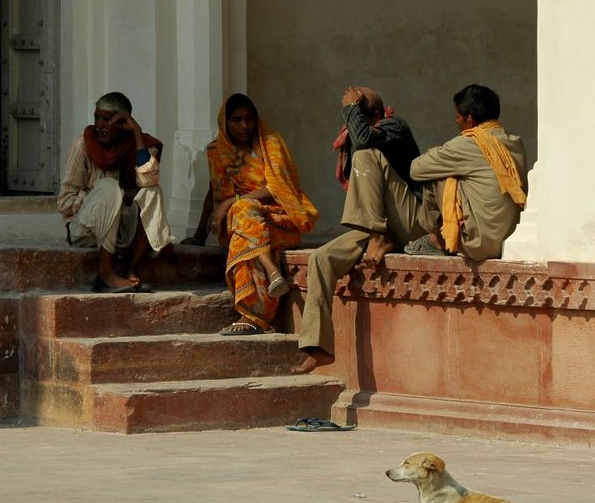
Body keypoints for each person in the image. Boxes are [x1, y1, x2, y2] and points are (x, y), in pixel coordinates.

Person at [295, 86, 424, 373]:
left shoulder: (393, 126)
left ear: (375, 115)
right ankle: (319, 347)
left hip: (412, 221)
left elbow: (365, 140)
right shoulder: (359, 138)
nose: (351, 125)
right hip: (378, 222)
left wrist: (351, 106)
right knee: (320, 258)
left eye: (356, 115)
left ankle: (378, 236)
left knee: (366, 156)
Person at [205, 93, 318, 335]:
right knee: (245, 221)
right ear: (225, 123)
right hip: (242, 223)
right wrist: (197, 234)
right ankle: (272, 274)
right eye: (236, 120)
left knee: (243, 215)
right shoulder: (216, 151)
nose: (244, 126)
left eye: (249, 119)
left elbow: (279, 188)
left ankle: (254, 316)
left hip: (281, 221)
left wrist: (229, 203)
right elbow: (213, 188)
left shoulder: (271, 143)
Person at [57, 92, 177, 293]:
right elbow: (64, 203)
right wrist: (112, 196)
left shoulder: (140, 144)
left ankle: (132, 269)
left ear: (123, 122)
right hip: (86, 229)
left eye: (107, 119)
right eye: (97, 117)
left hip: (122, 228)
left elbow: (147, 181)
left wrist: (137, 133)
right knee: (109, 187)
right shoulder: (84, 144)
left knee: (152, 192)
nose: (99, 125)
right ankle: (105, 274)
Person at [404, 84, 527, 261]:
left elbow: (416, 169)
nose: (457, 122)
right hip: (509, 239)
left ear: (469, 119)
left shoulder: (469, 143)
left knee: (438, 175)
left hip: (477, 244)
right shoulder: (515, 141)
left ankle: (438, 239)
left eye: (458, 117)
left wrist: (439, 152)